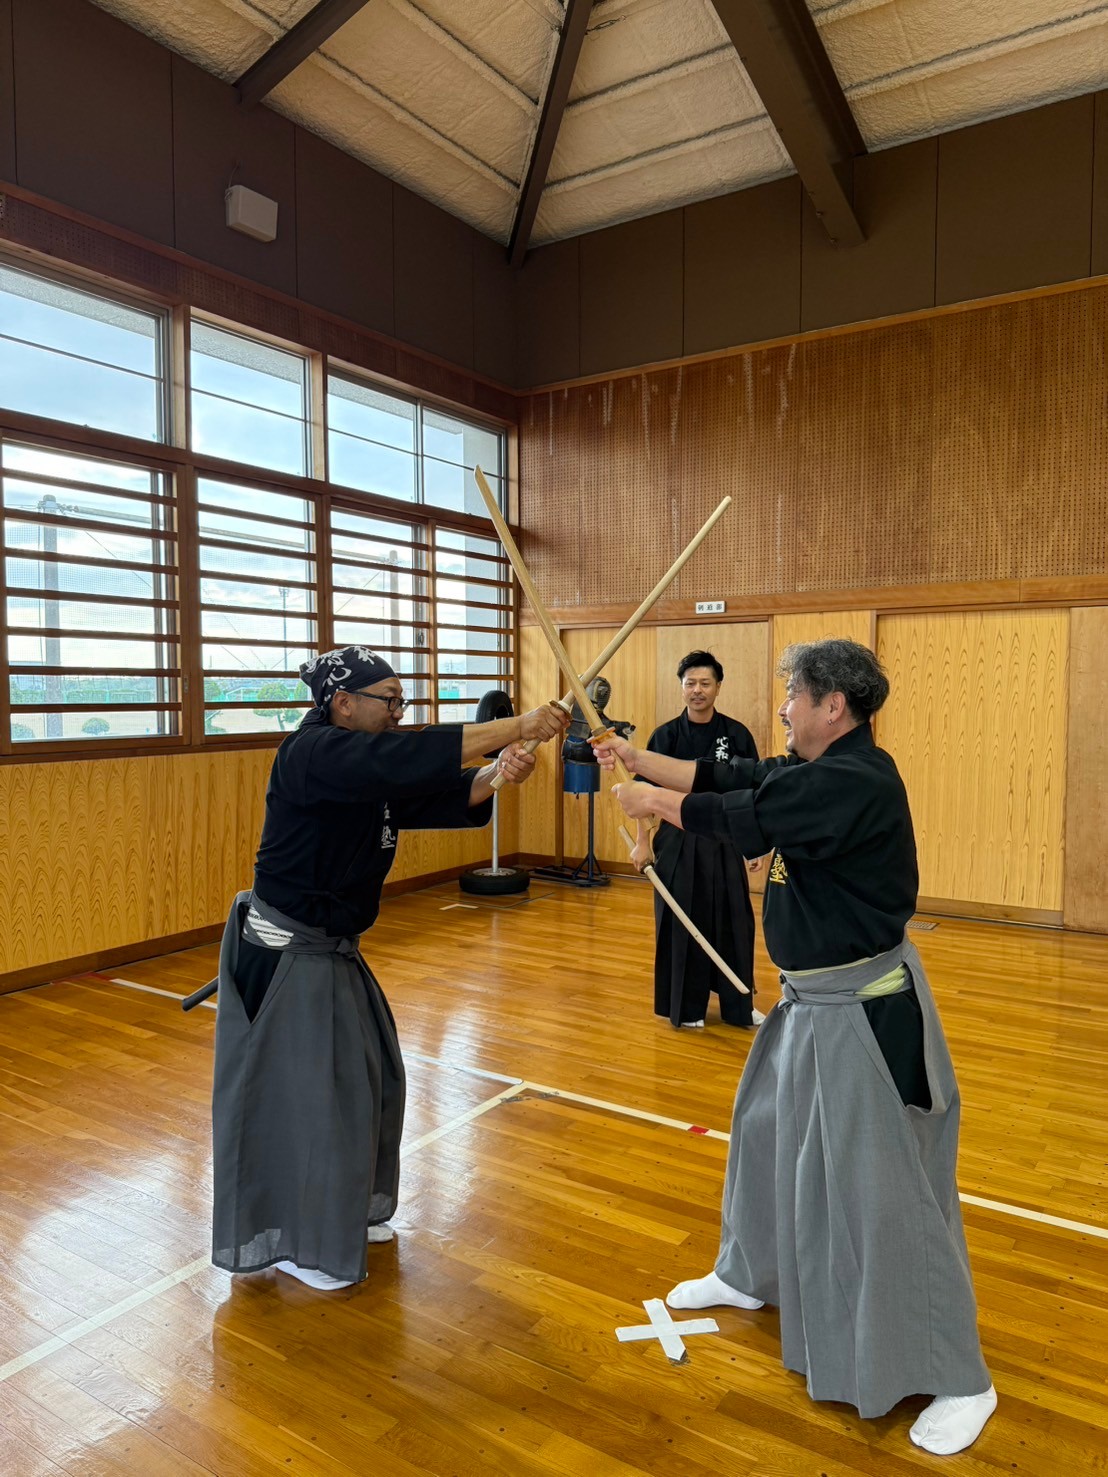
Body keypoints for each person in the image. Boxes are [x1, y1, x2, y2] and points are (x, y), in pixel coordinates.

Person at [595, 639, 996, 1456]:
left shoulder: (855, 781)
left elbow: (742, 815)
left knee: (888, 1192)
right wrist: (641, 759)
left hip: (865, 1013)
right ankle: (751, 1273)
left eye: (793, 696)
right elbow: (732, 779)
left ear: (832, 706)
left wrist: (646, 800)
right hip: (810, 1005)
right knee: (766, 1137)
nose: (782, 709)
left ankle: (962, 1377)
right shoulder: (814, 767)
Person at [210, 646, 568, 1292]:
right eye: (390, 700)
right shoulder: (314, 754)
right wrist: (517, 725)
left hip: (330, 950)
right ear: (341, 702)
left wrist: (496, 775)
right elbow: (406, 760)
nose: (399, 713)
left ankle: (343, 1210)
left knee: (374, 1081)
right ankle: (301, 1241)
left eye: (403, 701)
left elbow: (424, 792)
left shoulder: (360, 765)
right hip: (288, 955)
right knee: (317, 1103)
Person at [632, 651, 763, 1029]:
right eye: (690, 683)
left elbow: (753, 794)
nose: (697, 690)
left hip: (725, 839)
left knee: (735, 922)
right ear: (682, 688)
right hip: (676, 841)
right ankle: (686, 1008)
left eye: (705, 683)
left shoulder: (736, 734)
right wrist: (643, 842)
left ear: (718, 687)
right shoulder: (666, 736)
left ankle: (740, 1004)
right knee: (680, 923)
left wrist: (755, 844)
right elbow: (642, 794)